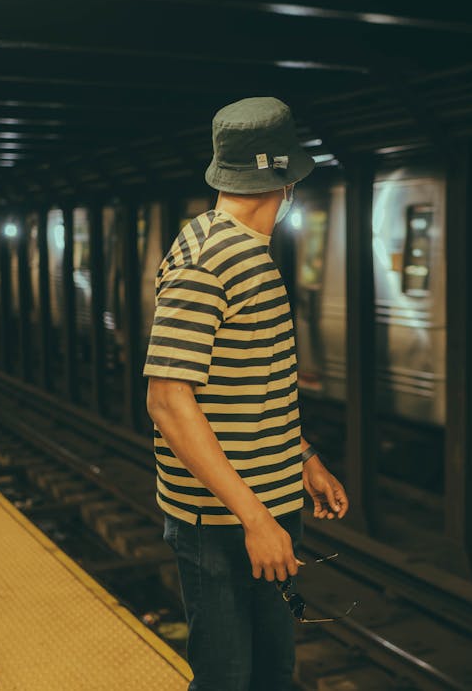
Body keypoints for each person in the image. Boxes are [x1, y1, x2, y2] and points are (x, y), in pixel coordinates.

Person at [145, 97, 349, 691]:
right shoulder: (209, 262)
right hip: (222, 519)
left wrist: (302, 457)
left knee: (271, 674)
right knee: (228, 679)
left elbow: (252, 388)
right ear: (282, 183)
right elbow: (168, 399)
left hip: (263, 504)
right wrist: (254, 516)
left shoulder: (237, 249)